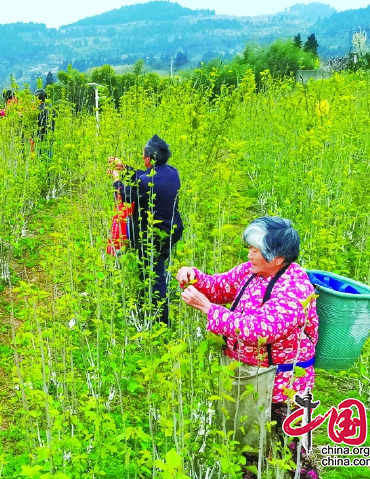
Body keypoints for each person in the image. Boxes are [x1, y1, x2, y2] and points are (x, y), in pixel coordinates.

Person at [176, 216, 319, 479]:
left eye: (256, 250)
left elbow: (259, 331)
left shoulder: (294, 289)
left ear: (277, 259)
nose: (250, 254)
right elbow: (221, 286)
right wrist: (194, 277)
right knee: (246, 443)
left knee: (290, 450)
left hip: (282, 385)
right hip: (249, 376)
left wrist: (207, 309)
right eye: (250, 248)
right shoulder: (252, 270)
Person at [109, 135, 183, 325]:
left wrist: (117, 179)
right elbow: (144, 178)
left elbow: (125, 195)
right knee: (151, 268)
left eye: (143, 157)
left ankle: (161, 321)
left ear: (149, 159)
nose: (143, 159)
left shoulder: (147, 181)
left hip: (152, 235)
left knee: (154, 273)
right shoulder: (173, 173)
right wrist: (125, 168)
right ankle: (146, 304)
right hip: (171, 230)